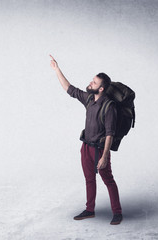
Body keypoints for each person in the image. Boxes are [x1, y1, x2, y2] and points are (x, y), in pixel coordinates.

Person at [49, 55, 123, 225]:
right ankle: (90, 210)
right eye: (92, 80)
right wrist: (57, 69)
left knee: (108, 180)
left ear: (102, 89)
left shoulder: (109, 106)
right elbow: (70, 89)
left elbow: (110, 134)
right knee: (89, 179)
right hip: (86, 147)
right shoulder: (89, 99)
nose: (90, 83)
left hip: (99, 150)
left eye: (94, 83)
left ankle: (117, 212)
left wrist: (104, 156)